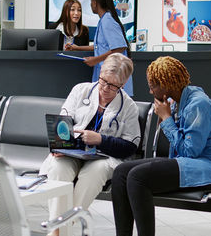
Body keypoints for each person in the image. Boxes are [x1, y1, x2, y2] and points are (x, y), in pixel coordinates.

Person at [111, 56, 211, 236]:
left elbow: (190, 151)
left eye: (152, 85)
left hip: (209, 167)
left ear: (166, 84)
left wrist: (166, 119)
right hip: (186, 163)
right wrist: (166, 116)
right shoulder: (178, 101)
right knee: (121, 172)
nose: (150, 91)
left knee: (137, 177)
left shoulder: (199, 104)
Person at [39, 53, 140, 236]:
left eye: (112, 85)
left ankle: (60, 229)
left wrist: (100, 140)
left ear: (123, 85)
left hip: (104, 158)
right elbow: (63, 121)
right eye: (103, 81)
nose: (105, 88)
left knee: (95, 172)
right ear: (99, 73)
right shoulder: (81, 90)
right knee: (57, 168)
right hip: (72, 152)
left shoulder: (129, 107)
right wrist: (60, 145)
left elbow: (130, 146)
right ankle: (59, 231)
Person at [66, 0, 134, 96]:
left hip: (114, 78)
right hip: (109, 77)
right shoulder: (104, 20)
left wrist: (95, 60)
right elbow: (99, 46)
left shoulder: (107, 20)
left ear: (94, 3)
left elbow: (119, 47)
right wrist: (76, 47)